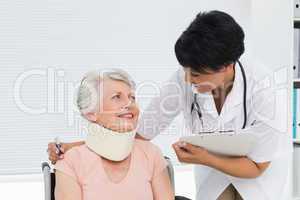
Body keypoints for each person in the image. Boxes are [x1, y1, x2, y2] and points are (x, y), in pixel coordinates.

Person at [48, 11, 290, 200]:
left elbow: (257, 166)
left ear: (226, 66)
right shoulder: (186, 76)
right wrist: (78, 146)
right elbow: (141, 128)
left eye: (196, 74)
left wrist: (204, 158)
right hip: (214, 181)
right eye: (185, 71)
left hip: (257, 182)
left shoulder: (266, 91)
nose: (187, 79)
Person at [53, 69, 174, 200]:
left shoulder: (152, 154)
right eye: (117, 97)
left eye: (132, 98)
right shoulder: (71, 162)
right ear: (91, 113)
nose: (129, 104)